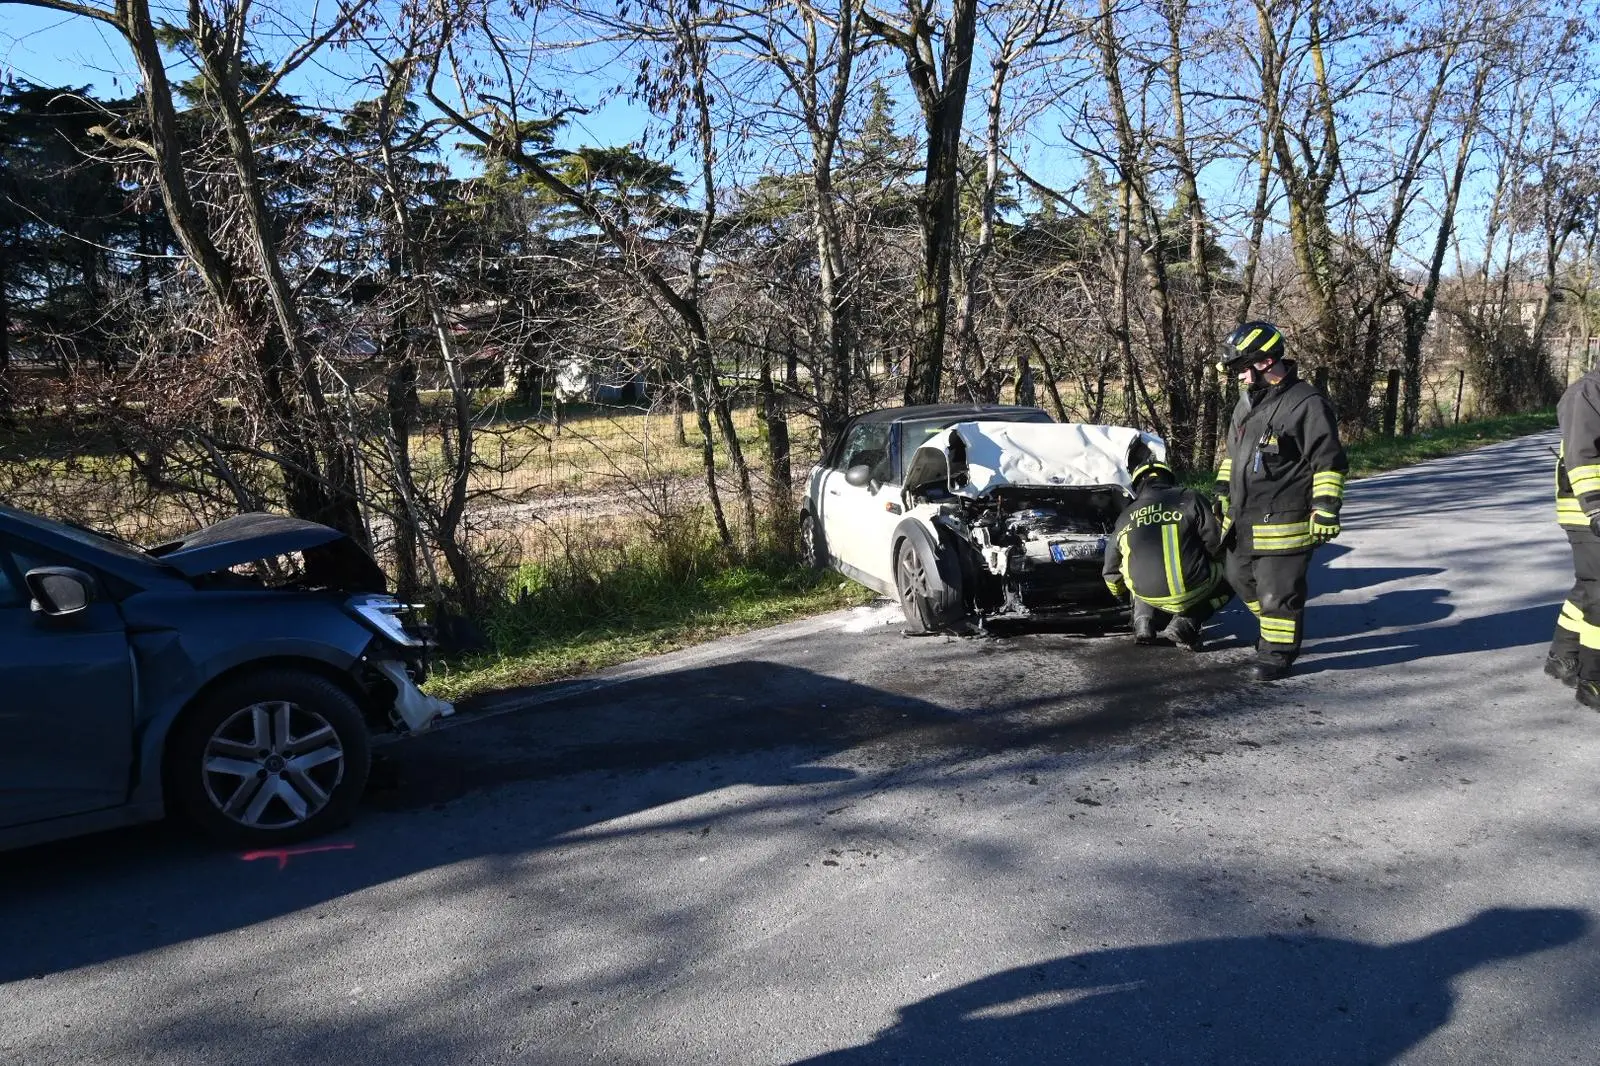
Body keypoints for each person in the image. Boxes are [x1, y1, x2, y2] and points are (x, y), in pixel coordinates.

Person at [1214, 321, 1348, 682]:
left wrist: (1325, 508)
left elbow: (1328, 461)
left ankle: (1277, 654)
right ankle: (1275, 629)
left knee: (1278, 592)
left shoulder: (1306, 404)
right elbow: (1232, 457)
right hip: (1244, 518)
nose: (1240, 377)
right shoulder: (1246, 404)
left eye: (1243, 368)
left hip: (1284, 519)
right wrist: (1221, 491)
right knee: (1237, 576)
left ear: (1264, 362)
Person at [1102, 457, 1233, 651]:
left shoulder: (1126, 515)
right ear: (1170, 479)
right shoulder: (1191, 497)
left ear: (1137, 485)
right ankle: (1187, 622)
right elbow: (1216, 545)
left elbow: (1111, 572)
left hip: (1146, 593)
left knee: (1132, 571)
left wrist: (1124, 597)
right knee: (1233, 576)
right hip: (1194, 589)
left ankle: (1142, 620)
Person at [1547, 364, 1600, 709]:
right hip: (1586, 510)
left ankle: (1562, 657)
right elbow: (1582, 456)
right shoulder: (1587, 392)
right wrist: (1596, 508)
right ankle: (1593, 678)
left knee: (1588, 585)